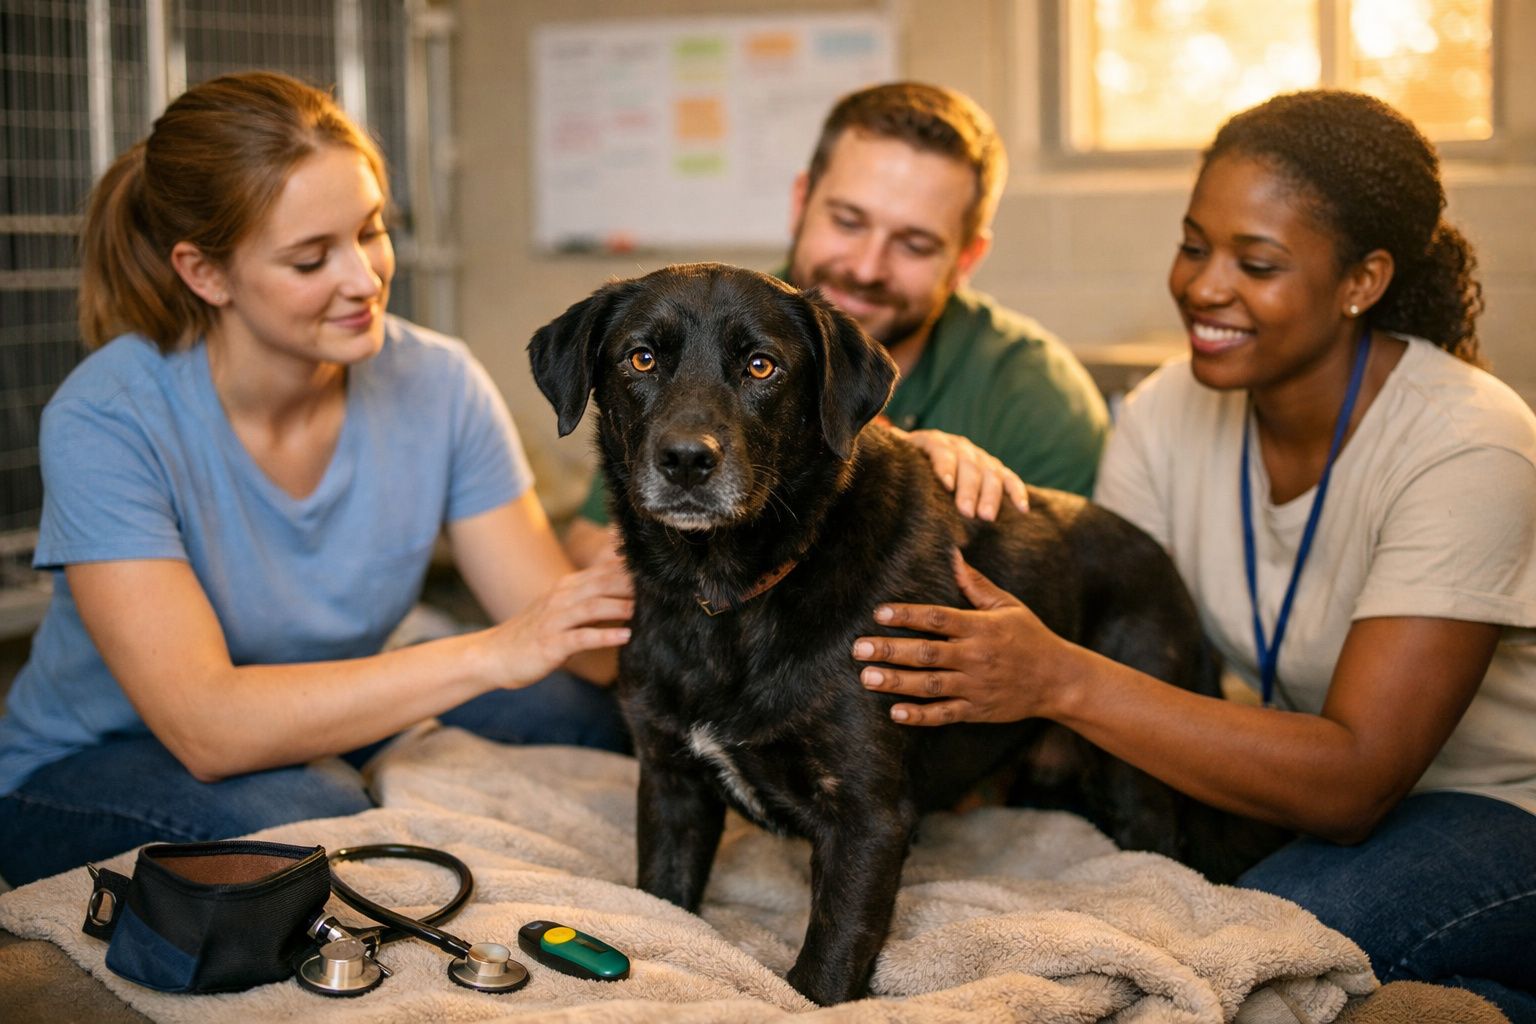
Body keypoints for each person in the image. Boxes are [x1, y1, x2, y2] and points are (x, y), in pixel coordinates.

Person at [850, 90, 1536, 1020]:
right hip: (1283, 777)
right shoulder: (1165, 412)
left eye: (1256, 264)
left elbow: (1356, 783)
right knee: (1117, 924)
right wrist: (917, 465)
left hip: (1492, 805)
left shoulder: (1469, 443)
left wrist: (1058, 679)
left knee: (1252, 943)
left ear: (1362, 281)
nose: (1205, 288)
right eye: (1193, 246)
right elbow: (1120, 630)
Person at [0, 72, 634, 888]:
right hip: (97, 759)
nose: (365, 279)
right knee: (308, 811)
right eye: (311, 259)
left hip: (325, 715)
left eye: (371, 232)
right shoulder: (108, 416)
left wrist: (648, 564)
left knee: (589, 716)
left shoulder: (440, 382)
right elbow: (206, 729)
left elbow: (573, 648)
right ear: (206, 274)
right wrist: (493, 651)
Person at [565, 81, 1109, 567]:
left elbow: (1062, 589)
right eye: (848, 221)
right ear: (801, 202)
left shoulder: (1037, 396)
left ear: (966, 258)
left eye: (915, 244)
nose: (866, 268)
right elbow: (591, 542)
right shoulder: (718, 319)